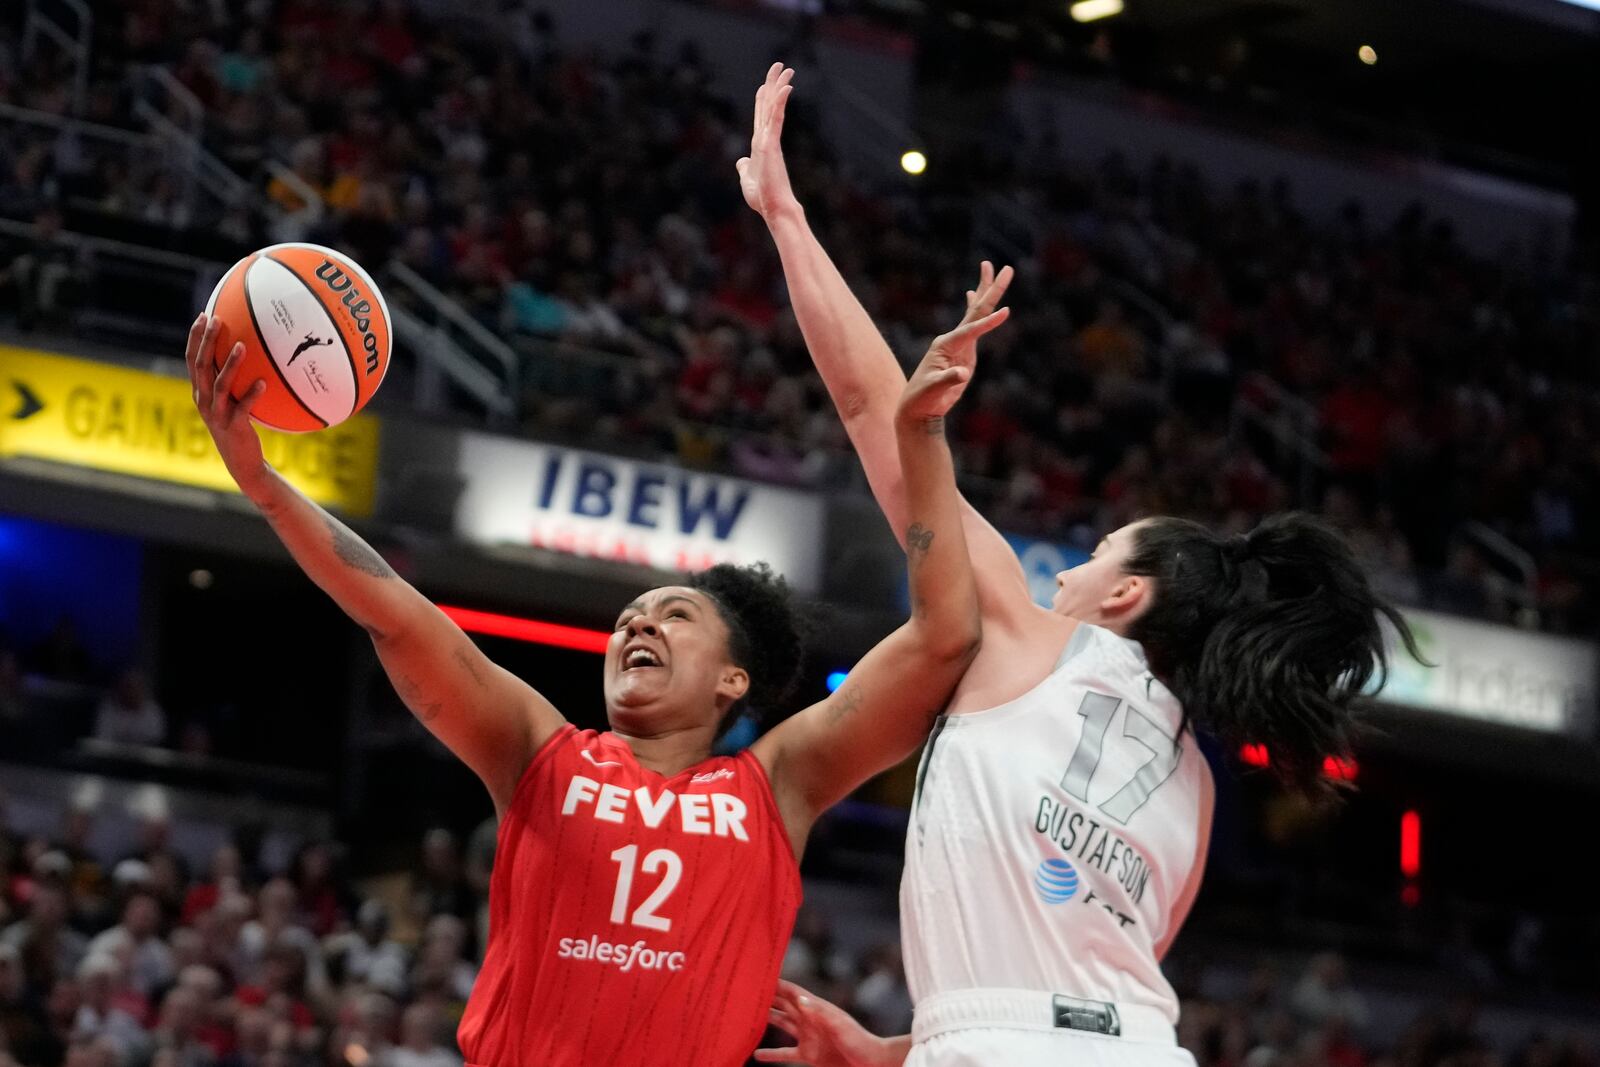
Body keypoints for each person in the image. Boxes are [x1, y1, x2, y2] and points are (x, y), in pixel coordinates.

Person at [737, 64, 1420, 1067]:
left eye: (1095, 552)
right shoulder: (1194, 782)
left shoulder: (1029, 637)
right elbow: (1081, 998)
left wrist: (787, 219)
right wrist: (892, 1051)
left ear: (1127, 593)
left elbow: (865, 409)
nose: (1064, 573)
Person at [183, 289, 999, 1067]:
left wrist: (920, 438)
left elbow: (942, 637)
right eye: (630, 617)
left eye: (675, 614)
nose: (637, 623)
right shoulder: (539, 748)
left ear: (733, 680)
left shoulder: (779, 783)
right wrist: (264, 485)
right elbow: (395, 612)